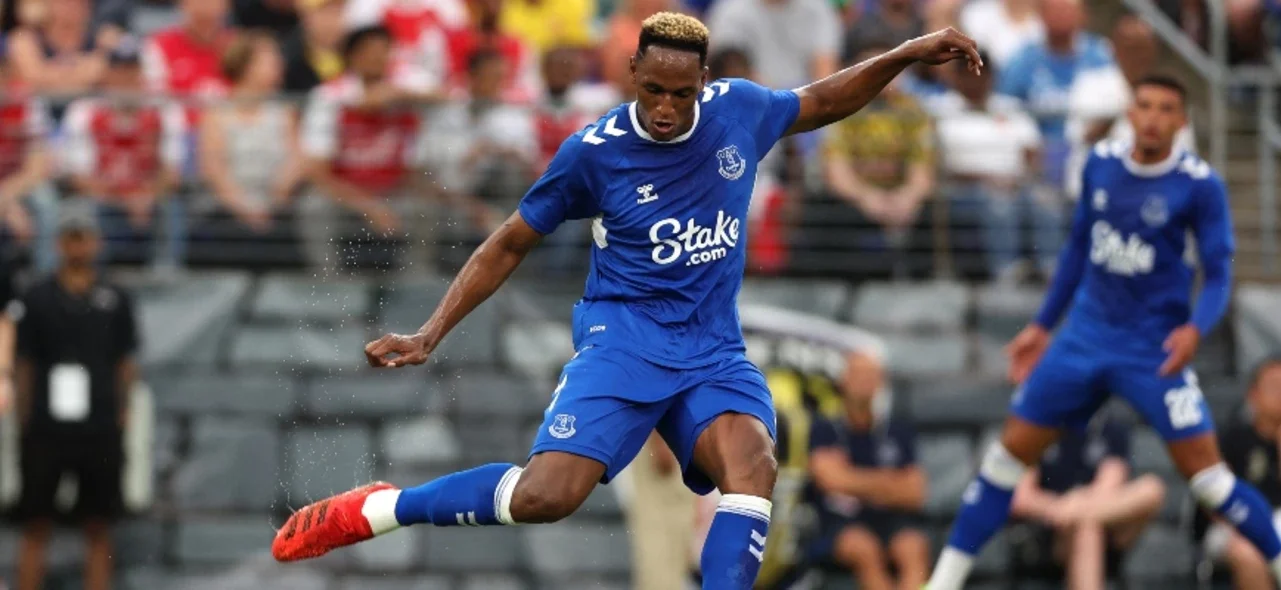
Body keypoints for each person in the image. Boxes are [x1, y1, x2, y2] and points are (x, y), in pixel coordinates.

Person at [272, 13, 983, 590]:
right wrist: (431, 332)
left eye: (682, 93)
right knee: (544, 499)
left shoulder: (739, 111)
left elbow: (824, 98)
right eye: (654, 92)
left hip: (710, 345)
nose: (667, 108)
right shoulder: (594, 152)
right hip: (625, 338)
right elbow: (508, 242)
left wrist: (906, 51)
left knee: (754, 463)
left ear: (704, 81)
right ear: (632, 75)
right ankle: (382, 507)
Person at [924, 75, 1281, 590]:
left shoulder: (1200, 184)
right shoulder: (1102, 165)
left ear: (1181, 122)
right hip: (1084, 338)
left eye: (1166, 109)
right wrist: (1042, 326)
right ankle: (942, 583)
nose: (1154, 117)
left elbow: (1220, 273)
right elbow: (1076, 251)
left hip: (1153, 349)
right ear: (1129, 113)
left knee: (1210, 480)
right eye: (1144, 106)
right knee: (1005, 460)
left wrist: (1196, 331)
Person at [13, 203, 140, 590]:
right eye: (71, 237)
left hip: (98, 424)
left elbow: (125, 360)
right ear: (59, 243)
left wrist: (123, 410)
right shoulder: (37, 298)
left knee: (99, 525)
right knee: (36, 522)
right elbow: (25, 362)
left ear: (96, 243)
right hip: (47, 426)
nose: (78, 246)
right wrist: (24, 419)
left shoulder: (115, 298)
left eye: (83, 237)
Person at [808, 42, 935, 280]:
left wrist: (906, 199)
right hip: (857, 203)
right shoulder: (840, 110)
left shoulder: (914, 111)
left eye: (889, 67)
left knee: (934, 217)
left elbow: (922, 173)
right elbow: (838, 174)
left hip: (901, 203)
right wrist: (868, 198)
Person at [807, 353, 931, 590]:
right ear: (843, 381)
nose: (864, 382)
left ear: (880, 383)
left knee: (913, 546)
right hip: (840, 523)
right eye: (858, 375)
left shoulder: (897, 430)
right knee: (863, 548)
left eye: (871, 376)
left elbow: (916, 492)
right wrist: (889, 482)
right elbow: (830, 480)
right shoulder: (824, 429)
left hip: (892, 519)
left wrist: (852, 479)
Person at [62, 42, 187, 268]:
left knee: (172, 206)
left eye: (132, 74)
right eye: (119, 74)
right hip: (103, 198)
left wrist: (147, 194)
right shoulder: (84, 111)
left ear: (142, 76)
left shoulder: (164, 110)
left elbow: (172, 173)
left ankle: (167, 276)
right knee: (81, 210)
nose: (126, 82)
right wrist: (123, 197)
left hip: (149, 197)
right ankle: (94, 279)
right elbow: (80, 178)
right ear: (107, 77)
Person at [1010, 413, 1165, 589]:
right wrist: (1061, 507)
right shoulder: (1037, 426)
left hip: (1106, 527)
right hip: (1050, 530)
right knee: (1086, 525)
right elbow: (1021, 498)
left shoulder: (1111, 427)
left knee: (1152, 488)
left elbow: (1107, 489)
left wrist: (1077, 504)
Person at [933, 52, 1047, 281]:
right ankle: (1007, 273)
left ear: (991, 76)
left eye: (980, 71)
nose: (974, 78)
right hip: (964, 190)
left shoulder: (1011, 107)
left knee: (1047, 202)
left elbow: (1033, 153)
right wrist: (988, 180)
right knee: (998, 204)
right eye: (967, 73)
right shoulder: (940, 110)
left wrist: (1020, 179)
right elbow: (940, 166)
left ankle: (1051, 271)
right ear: (955, 77)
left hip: (1015, 184)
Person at [194, 31, 305, 266]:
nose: (279, 65)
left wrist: (275, 200)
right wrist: (246, 208)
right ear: (247, 65)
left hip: (276, 207)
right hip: (229, 209)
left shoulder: (285, 111)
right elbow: (214, 170)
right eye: (270, 60)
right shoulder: (216, 113)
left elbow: (296, 161)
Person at [1203, 356, 1281, 590]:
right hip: (1235, 527)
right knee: (1246, 553)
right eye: (1274, 387)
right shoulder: (1232, 438)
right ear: (1253, 395)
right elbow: (1212, 499)